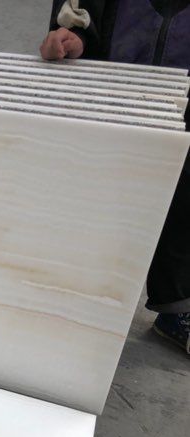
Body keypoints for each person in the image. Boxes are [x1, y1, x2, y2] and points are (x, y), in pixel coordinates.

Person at [41, 1, 190, 355]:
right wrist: (74, 38)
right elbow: (81, 13)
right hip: (113, 90)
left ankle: (178, 308)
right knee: (97, 194)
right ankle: (71, 302)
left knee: (183, 200)